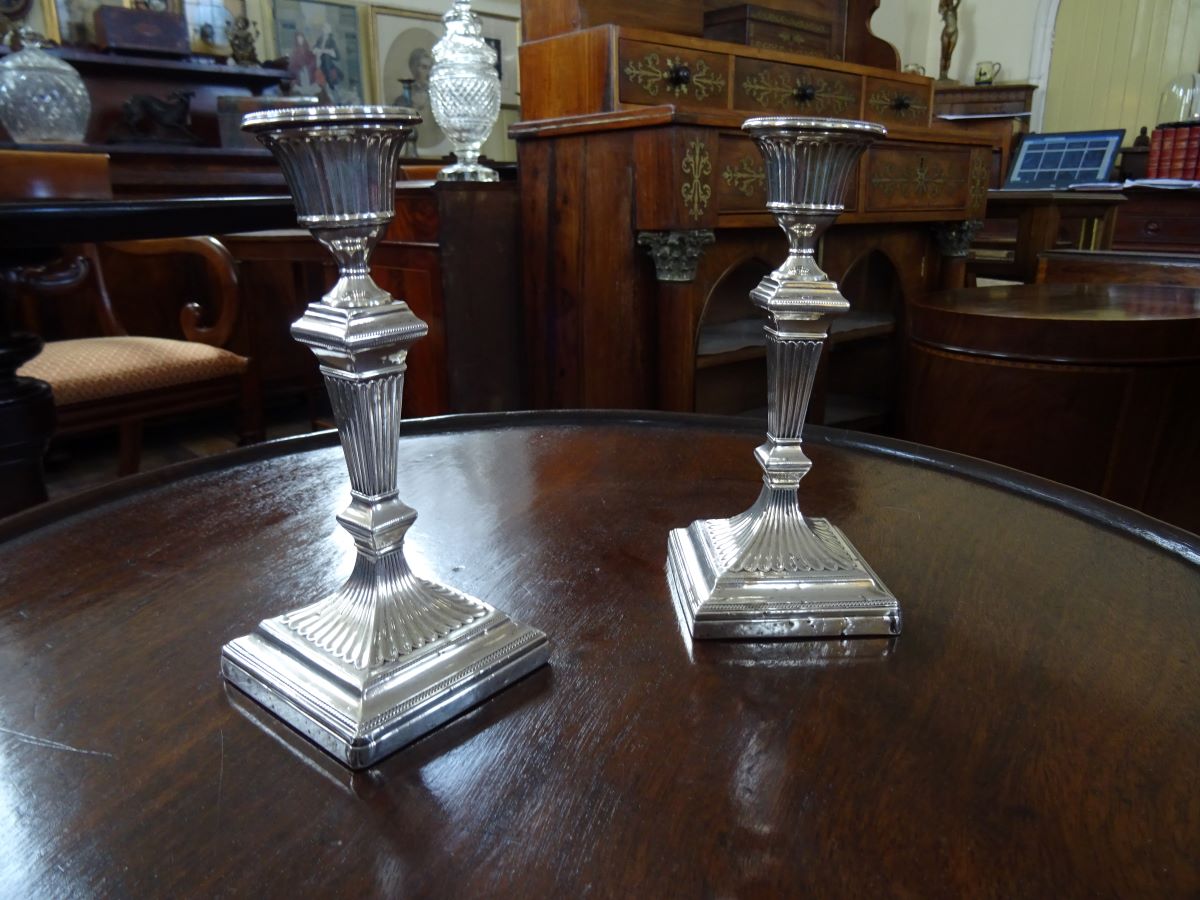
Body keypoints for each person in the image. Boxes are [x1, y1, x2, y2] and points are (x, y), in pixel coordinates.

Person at [938, 0, 961, 81]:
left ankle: (946, 74)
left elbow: (958, 3)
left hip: (954, 33)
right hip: (946, 33)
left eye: (951, 2)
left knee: (949, 55)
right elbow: (940, 10)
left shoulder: (954, 9)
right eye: (949, 2)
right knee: (944, 55)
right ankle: (941, 75)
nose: (951, 3)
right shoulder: (944, 9)